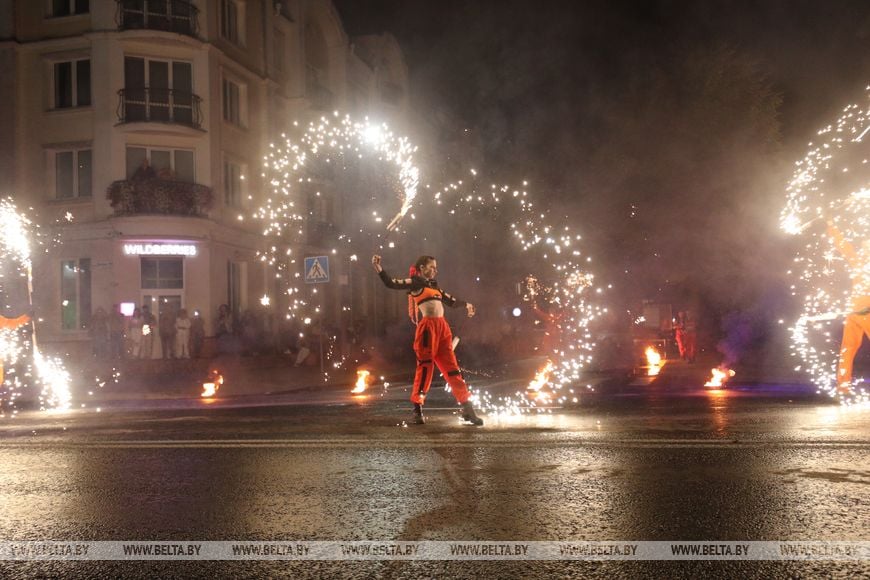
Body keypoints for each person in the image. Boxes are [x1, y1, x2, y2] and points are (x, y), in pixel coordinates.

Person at [372, 254, 484, 426]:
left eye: (436, 268)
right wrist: (378, 267)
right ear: (422, 268)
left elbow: (451, 301)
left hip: (443, 328)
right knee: (425, 369)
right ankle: (417, 410)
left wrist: (467, 304)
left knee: (453, 370)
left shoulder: (435, 286)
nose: (435, 270)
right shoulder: (415, 283)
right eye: (431, 267)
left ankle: (468, 409)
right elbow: (391, 283)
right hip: (427, 330)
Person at [828, 221, 870, 394]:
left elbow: (843, 246)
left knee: (848, 349)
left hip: (853, 311)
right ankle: (843, 386)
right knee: (848, 348)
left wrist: (831, 226)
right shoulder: (861, 262)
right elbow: (844, 246)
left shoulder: (858, 261)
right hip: (866, 311)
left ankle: (842, 386)